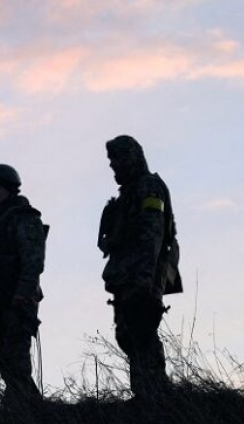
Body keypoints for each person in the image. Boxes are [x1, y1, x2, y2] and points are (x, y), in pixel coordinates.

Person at [97, 135, 182, 400]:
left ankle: (155, 393)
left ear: (132, 158)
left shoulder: (148, 187)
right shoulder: (129, 194)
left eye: (118, 161)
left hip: (144, 272)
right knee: (128, 333)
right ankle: (145, 392)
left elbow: (152, 232)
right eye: (112, 163)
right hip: (128, 274)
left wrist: (145, 279)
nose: (115, 167)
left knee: (142, 330)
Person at [0, 164, 47, 408]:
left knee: (17, 363)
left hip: (17, 302)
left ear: (9, 189)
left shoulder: (24, 218)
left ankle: (28, 411)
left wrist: (21, 295)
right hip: (0, 303)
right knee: (7, 363)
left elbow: (33, 261)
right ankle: (23, 407)